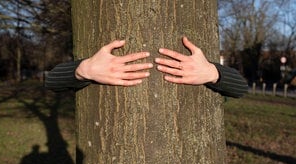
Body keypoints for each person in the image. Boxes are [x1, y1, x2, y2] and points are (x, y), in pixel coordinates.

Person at [45, 37, 248, 98]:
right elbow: (51, 80)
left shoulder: (204, 70)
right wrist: (83, 70)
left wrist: (214, 73)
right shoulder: (94, 64)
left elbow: (241, 88)